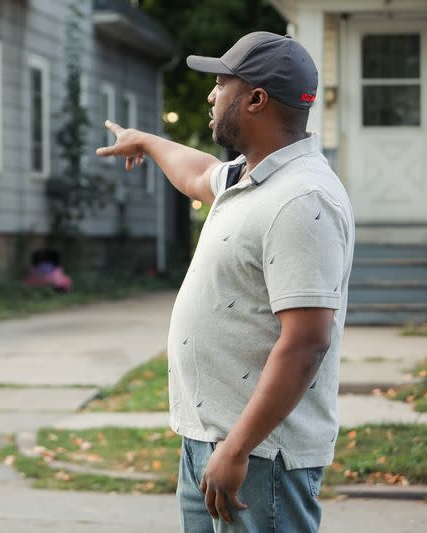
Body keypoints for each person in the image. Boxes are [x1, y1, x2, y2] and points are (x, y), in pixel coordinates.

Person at [95, 32, 355, 532]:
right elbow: (200, 174)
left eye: (221, 84)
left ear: (256, 99)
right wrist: (147, 141)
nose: (211, 96)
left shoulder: (303, 201)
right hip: (212, 440)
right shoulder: (248, 177)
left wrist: (238, 447)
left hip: (260, 453)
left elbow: (306, 342)